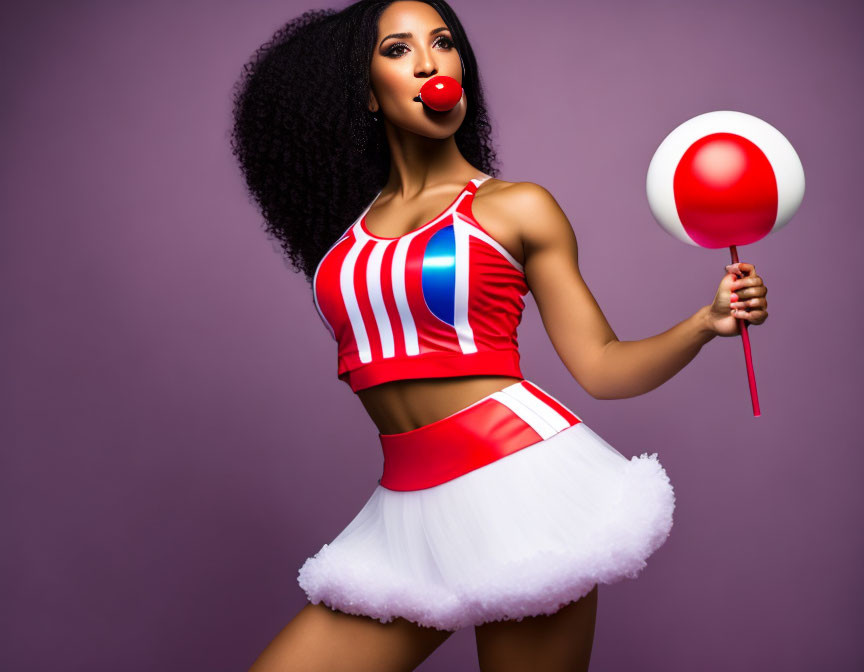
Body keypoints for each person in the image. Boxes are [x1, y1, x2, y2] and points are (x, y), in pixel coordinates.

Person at [230, 1, 770, 670]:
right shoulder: (343, 237)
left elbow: (603, 367)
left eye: (443, 42)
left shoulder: (515, 207)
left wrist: (704, 324)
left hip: (522, 489)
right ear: (366, 93)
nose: (431, 63)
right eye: (398, 50)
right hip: (406, 512)